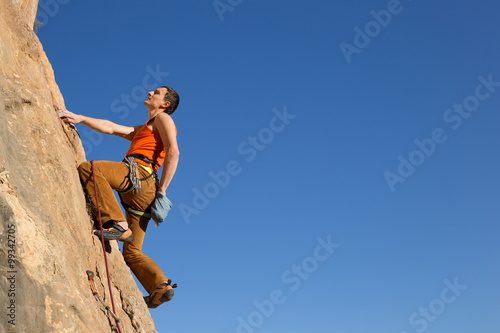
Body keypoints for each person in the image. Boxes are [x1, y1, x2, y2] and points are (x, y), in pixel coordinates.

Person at [57, 86, 180, 309]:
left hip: (139, 175)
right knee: (132, 252)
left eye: (157, 92)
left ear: (165, 104)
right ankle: (160, 287)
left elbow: (174, 151)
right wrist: (81, 118)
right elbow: (112, 128)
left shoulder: (163, 118)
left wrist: (163, 188)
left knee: (91, 169)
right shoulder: (146, 128)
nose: (150, 92)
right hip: (143, 194)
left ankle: (118, 223)